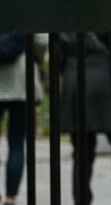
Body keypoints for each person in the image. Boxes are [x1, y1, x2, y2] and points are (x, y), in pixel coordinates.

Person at [60, 33, 111, 205]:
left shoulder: (66, 13)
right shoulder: (106, 12)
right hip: (106, 80)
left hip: (75, 80)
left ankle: (81, 198)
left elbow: (57, 55)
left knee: (81, 150)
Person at [0, 34, 48, 205]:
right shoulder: (23, 8)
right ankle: (10, 197)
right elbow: (42, 41)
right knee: (17, 143)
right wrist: (37, 59)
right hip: (22, 78)